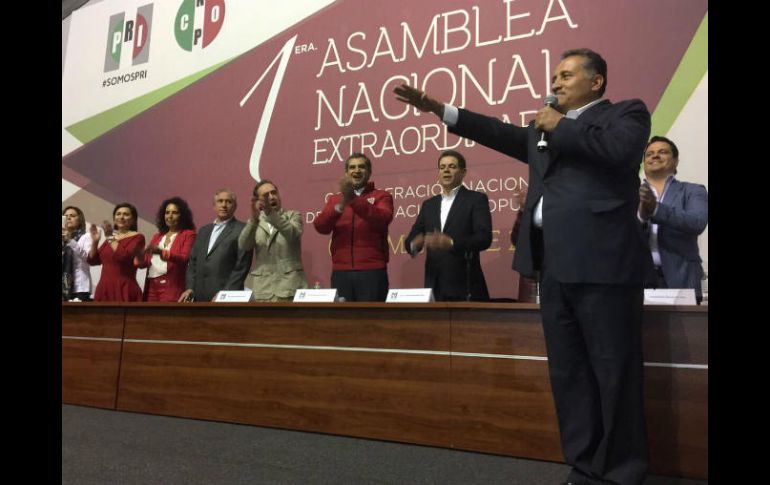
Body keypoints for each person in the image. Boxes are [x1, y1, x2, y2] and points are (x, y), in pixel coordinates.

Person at [395, 48, 652, 485]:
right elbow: (496, 131)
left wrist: (563, 125)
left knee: (614, 371)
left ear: (596, 82)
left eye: (566, 75)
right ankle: (585, 465)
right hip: (552, 266)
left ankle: (623, 471)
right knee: (568, 372)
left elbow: (621, 152)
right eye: (554, 75)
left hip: (604, 264)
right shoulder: (541, 131)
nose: (555, 83)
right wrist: (441, 110)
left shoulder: (624, 114)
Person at [405, 150, 492, 301]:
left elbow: (484, 238)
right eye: (442, 167)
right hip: (434, 285)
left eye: (452, 166)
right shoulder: (429, 205)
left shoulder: (476, 199)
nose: (446, 170)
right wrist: (414, 243)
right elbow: (413, 237)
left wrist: (451, 243)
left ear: (463, 172)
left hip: (465, 285)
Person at [313, 153, 394, 301]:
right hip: (341, 272)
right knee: (343, 322)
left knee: (372, 321)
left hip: (372, 271)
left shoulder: (382, 196)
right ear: (346, 173)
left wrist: (353, 199)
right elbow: (320, 226)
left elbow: (383, 219)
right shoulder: (335, 199)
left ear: (369, 172)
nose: (356, 170)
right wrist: (339, 207)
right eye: (352, 167)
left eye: (361, 167)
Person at [639, 135, 708, 303]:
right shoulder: (629, 194)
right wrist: (641, 216)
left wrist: (655, 209)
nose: (655, 156)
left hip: (683, 278)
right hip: (638, 280)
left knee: (688, 330)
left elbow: (697, 222)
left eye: (662, 152)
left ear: (675, 161)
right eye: (649, 154)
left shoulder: (693, 191)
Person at [179, 189, 253, 302]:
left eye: (228, 201)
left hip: (225, 299)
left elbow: (242, 267)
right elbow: (192, 263)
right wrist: (190, 288)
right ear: (214, 205)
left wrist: (226, 293)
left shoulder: (243, 230)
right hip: (198, 298)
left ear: (235, 206)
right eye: (220, 201)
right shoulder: (203, 231)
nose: (224, 205)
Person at [238, 180, 307, 301]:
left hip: (289, 288)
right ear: (258, 201)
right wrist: (253, 220)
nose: (271, 197)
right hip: (262, 289)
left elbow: (293, 234)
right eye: (265, 195)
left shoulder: (293, 215)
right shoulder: (255, 221)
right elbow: (244, 245)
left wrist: (271, 214)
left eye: (273, 193)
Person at [136, 197, 197, 302]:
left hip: (171, 286)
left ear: (182, 216)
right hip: (151, 286)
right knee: (148, 318)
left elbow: (184, 258)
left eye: (174, 212)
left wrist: (161, 252)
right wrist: (139, 256)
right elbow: (145, 263)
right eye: (167, 212)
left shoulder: (188, 235)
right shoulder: (157, 236)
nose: (170, 216)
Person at [87, 203, 146, 302]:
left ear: (133, 219)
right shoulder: (111, 238)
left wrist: (110, 237)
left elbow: (123, 257)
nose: (121, 217)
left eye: (126, 214)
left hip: (124, 287)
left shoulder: (138, 237)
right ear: (114, 218)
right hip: (104, 288)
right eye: (118, 214)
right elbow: (93, 261)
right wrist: (95, 242)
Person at [62, 206, 94, 301]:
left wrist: (70, 240)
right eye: (65, 216)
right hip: (64, 288)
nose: (68, 218)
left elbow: (88, 258)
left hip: (80, 287)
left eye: (72, 215)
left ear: (79, 220)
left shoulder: (86, 236)